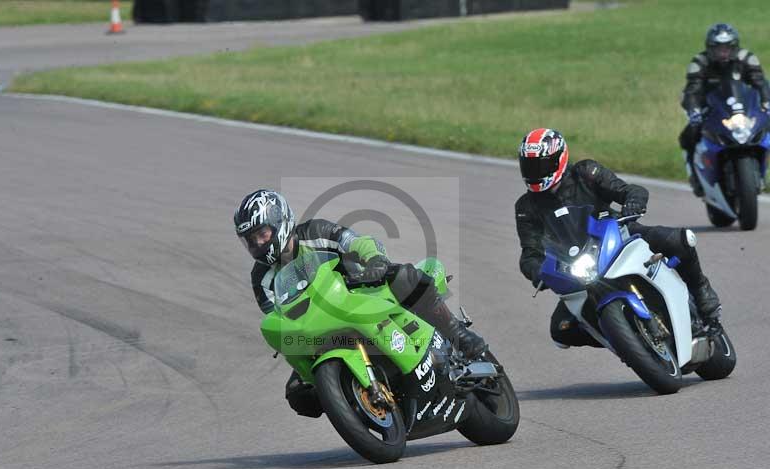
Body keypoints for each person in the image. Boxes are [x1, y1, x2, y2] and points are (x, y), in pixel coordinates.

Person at [235, 189, 486, 416]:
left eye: (262, 233)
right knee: (298, 394)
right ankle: (354, 402)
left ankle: (458, 334)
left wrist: (375, 260)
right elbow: (277, 316)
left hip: (364, 293)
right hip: (318, 326)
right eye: (250, 239)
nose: (258, 243)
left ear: (280, 223)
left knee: (404, 276)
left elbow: (356, 241)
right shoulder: (260, 278)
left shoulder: (315, 232)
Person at [514, 128, 722, 349]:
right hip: (577, 269)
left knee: (679, 240)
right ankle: (624, 339)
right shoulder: (526, 207)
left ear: (559, 158)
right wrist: (538, 272)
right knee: (561, 331)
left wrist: (633, 201)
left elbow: (629, 190)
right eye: (529, 166)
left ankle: (702, 293)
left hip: (618, 235)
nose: (535, 172)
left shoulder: (586, 172)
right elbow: (530, 252)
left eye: (541, 165)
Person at [679, 23, 770, 196]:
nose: (723, 53)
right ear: (710, 48)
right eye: (718, 48)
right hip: (712, 109)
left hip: (743, 109)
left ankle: (763, 169)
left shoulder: (747, 58)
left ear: (735, 47)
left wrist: (767, 102)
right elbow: (692, 91)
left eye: (727, 48)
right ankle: (695, 178)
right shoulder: (700, 62)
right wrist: (694, 111)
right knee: (688, 136)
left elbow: (761, 83)